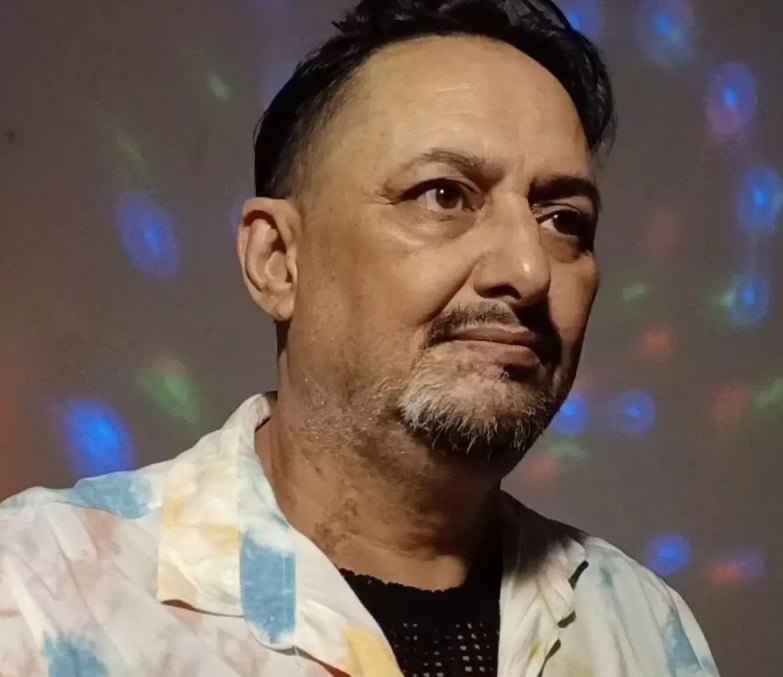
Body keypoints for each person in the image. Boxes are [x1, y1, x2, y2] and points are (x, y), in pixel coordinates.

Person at [0, 0, 720, 675]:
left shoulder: (641, 625)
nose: (528, 270)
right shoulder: (41, 589)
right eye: (443, 195)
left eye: (563, 220)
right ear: (278, 260)